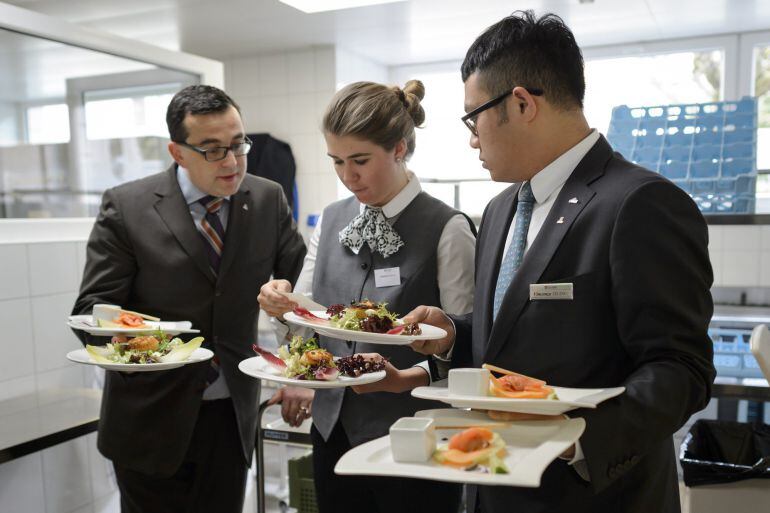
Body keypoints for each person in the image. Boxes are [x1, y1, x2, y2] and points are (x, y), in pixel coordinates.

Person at [395, 11, 715, 513]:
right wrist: (455, 336)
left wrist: (572, 439)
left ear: (521, 103)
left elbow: (681, 369)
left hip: (589, 494)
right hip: (492, 486)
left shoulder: (639, 202)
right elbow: (512, 339)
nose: (471, 138)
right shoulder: (500, 209)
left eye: (472, 117)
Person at [72, 85, 306, 513]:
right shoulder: (127, 207)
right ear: (178, 152)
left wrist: (300, 363)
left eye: (238, 144)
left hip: (230, 414)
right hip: (149, 419)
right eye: (213, 150)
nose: (232, 162)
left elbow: (305, 289)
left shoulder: (268, 198)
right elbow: (92, 309)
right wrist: (152, 346)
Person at [257, 80, 475, 513]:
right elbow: (306, 318)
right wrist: (282, 306)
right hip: (332, 430)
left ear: (398, 148)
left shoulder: (447, 228)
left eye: (360, 160)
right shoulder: (333, 219)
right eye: (336, 161)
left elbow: (467, 348)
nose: (347, 176)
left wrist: (409, 378)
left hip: (416, 434)